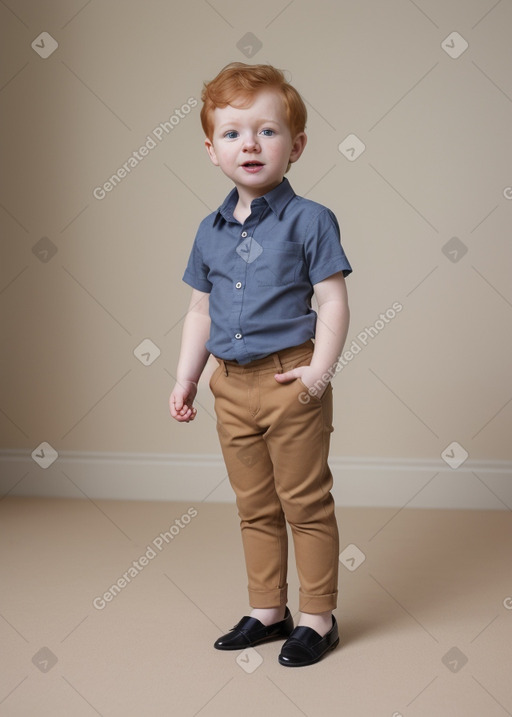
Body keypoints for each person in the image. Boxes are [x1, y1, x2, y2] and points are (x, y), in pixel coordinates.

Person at [169, 62, 352, 667]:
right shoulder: (209, 230)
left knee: (305, 501)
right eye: (232, 133)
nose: (250, 144)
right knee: (255, 504)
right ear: (211, 149)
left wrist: (319, 371)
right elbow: (201, 310)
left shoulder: (312, 220)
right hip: (231, 385)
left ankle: (317, 616)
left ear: (295, 146)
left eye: (267, 132)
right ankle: (267, 609)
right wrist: (187, 377)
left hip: (289, 377)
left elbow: (332, 300)